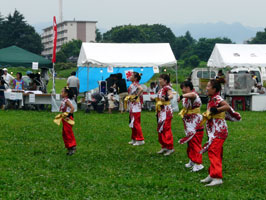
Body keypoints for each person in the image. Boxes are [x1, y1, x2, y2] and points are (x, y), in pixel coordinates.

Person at [200, 79, 241, 186]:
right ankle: (212, 174)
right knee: (215, 152)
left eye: (208, 86)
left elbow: (227, 106)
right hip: (214, 130)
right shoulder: (212, 99)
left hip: (219, 131)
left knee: (214, 151)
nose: (206, 88)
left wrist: (216, 110)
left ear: (214, 89)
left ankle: (217, 177)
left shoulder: (217, 98)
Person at [178, 81, 204, 172]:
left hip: (195, 122)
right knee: (190, 142)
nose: (183, 90)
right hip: (189, 122)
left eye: (185, 88)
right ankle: (192, 160)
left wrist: (182, 96)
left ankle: (198, 163)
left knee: (195, 142)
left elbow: (192, 95)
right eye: (182, 88)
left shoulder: (194, 95)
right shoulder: (186, 97)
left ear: (189, 88)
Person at [154, 74, 175, 156]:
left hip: (166, 111)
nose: (159, 80)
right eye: (159, 79)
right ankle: (164, 146)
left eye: (161, 79)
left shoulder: (167, 88)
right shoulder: (161, 89)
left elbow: (171, 95)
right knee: (161, 128)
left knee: (166, 128)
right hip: (161, 110)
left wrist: (166, 98)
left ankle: (170, 147)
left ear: (165, 81)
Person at [55, 87, 77, 155]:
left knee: (68, 132)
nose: (61, 93)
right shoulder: (64, 100)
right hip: (65, 118)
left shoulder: (67, 100)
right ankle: (68, 147)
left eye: (62, 92)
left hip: (67, 118)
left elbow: (72, 108)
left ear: (66, 93)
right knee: (64, 133)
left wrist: (69, 115)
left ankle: (72, 146)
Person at [125, 72, 145, 146]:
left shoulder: (136, 84)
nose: (130, 76)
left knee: (136, 122)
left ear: (135, 78)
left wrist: (136, 96)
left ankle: (140, 139)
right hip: (132, 105)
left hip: (136, 105)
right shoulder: (133, 84)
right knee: (132, 122)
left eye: (132, 76)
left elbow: (141, 89)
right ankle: (134, 138)